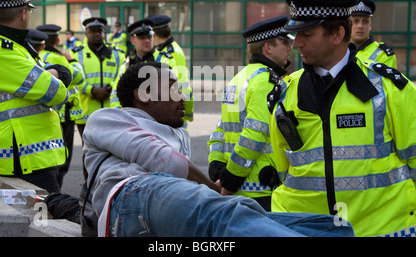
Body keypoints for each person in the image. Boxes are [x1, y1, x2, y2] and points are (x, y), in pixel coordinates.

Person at [82, 61, 355, 237]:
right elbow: (164, 162)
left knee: (329, 227)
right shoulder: (109, 117)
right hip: (130, 196)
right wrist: (217, 191)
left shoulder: (176, 131)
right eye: (173, 88)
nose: (183, 97)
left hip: (165, 206)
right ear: (143, 95)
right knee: (230, 210)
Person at [268, 0, 416, 237]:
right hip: (305, 230)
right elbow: (285, 169)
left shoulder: (389, 89)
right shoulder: (285, 94)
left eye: (306, 34)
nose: (297, 44)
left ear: (337, 34)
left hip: (379, 230)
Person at [0, 0, 71, 193]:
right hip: (25, 159)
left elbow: (44, 79)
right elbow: (56, 93)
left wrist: (52, 74)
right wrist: (57, 73)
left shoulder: (13, 45)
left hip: (32, 157)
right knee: (47, 222)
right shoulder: (1, 51)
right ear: (24, 13)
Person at [207, 15, 293, 211]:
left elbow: (220, 131)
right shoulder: (265, 81)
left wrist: (218, 169)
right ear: (268, 47)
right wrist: (230, 179)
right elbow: (254, 135)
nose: (290, 47)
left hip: (235, 186)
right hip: (259, 189)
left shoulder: (239, 77)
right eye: (284, 42)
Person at [36, 24, 85, 186]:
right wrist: (72, 60)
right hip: (64, 114)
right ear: (57, 39)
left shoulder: (34, 56)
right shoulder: (58, 58)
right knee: (62, 158)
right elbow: (78, 77)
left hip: (43, 114)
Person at [71, 17, 125, 140]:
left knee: (111, 152)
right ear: (86, 33)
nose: (97, 34)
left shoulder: (117, 54)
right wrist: (92, 90)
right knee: (88, 153)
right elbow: (74, 78)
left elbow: (121, 76)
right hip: (86, 114)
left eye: (100, 31)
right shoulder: (76, 54)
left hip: (111, 113)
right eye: (92, 31)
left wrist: (110, 88)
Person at [145, 14, 194, 124]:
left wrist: (186, 112)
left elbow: (181, 85)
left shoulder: (173, 53)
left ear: (155, 33)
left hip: (173, 117)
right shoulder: (163, 49)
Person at [110, 18, 157, 108]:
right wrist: (120, 114)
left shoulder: (164, 60)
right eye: (142, 38)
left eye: (149, 37)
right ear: (132, 41)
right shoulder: (126, 65)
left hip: (158, 118)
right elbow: (116, 93)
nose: (147, 40)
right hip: (132, 118)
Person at [350, 0, 397, 68]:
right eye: (356, 21)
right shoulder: (340, 51)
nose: (360, 26)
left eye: (365, 21)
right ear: (348, 24)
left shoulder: (383, 54)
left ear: (370, 25)